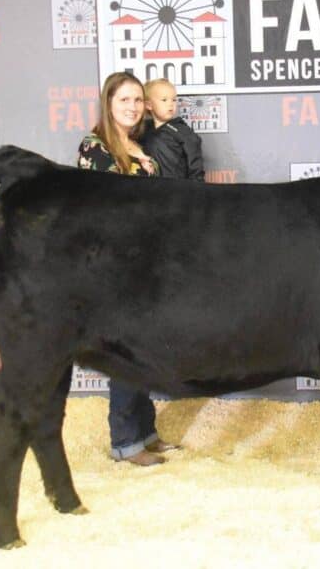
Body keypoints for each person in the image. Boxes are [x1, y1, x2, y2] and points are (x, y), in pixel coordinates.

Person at [77, 71, 180, 466]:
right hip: (114, 267)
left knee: (142, 352)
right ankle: (124, 442)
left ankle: (145, 431)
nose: (133, 107)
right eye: (125, 100)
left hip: (146, 265)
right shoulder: (95, 147)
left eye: (138, 100)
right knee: (123, 352)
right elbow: (99, 212)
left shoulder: (136, 145)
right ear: (108, 102)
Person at [140, 77, 205, 181]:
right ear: (149, 105)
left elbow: (195, 164)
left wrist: (196, 188)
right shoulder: (142, 130)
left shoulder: (182, 131)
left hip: (177, 190)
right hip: (151, 190)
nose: (171, 104)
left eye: (174, 99)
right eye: (164, 100)